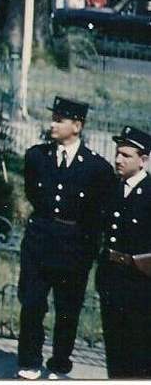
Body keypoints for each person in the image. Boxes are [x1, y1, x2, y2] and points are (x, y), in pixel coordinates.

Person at [16, 96, 112, 379]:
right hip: (39, 241)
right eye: (53, 118)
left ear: (77, 126)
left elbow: (97, 213)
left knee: (67, 309)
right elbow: (34, 194)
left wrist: (86, 248)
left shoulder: (97, 169)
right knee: (32, 303)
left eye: (59, 120)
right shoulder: (36, 157)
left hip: (74, 246)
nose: (53, 124)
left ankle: (59, 362)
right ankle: (29, 361)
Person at [96, 124, 151, 378]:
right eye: (117, 153)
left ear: (144, 160)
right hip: (112, 279)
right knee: (115, 350)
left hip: (142, 285)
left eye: (126, 155)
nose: (118, 159)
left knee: (140, 352)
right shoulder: (111, 189)